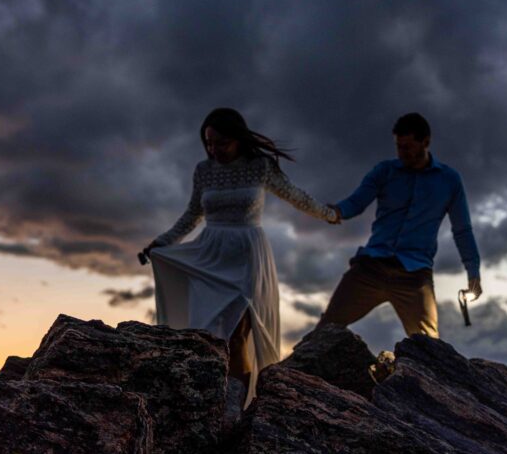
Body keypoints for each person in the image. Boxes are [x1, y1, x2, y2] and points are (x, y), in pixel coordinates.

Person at [140, 108, 339, 404]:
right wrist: (161, 243)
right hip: (209, 257)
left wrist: (329, 214)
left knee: (238, 335)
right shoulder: (204, 171)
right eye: (208, 143)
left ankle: (234, 411)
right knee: (204, 337)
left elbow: (295, 195)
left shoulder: (259, 166)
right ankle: (208, 403)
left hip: (247, 257)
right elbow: (193, 215)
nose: (213, 149)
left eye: (221, 143)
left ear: (237, 139)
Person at [313, 113, 481, 370]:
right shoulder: (385, 171)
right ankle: (288, 380)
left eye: (408, 146)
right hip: (370, 269)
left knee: (430, 349)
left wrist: (473, 271)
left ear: (425, 141)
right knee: (324, 331)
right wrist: (334, 211)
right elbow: (356, 203)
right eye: (398, 146)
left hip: (414, 277)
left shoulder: (449, 180)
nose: (401, 152)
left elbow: (462, 229)